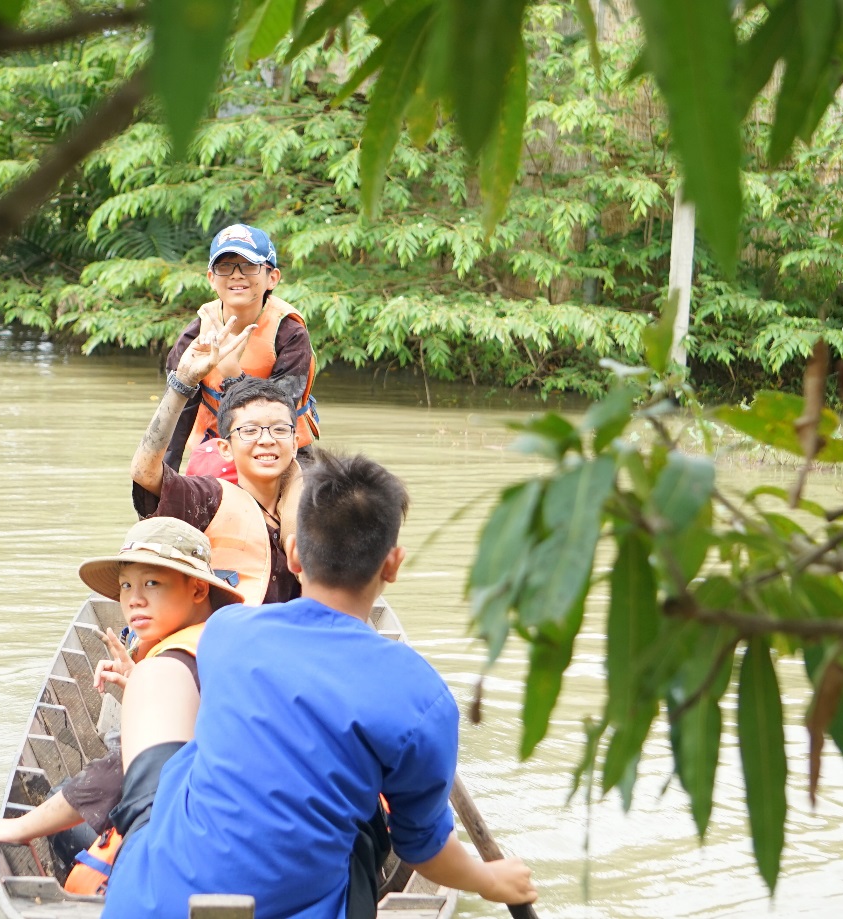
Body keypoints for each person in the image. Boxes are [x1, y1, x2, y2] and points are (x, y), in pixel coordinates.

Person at [101, 450, 537, 919]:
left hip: (147, 901)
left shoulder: (227, 632)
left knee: (164, 683)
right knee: (369, 818)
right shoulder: (422, 696)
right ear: (392, 564)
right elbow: (423, 852)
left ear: (292, 554)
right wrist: (492, 880)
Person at [0, 517, 244, 882]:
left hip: (200, 847)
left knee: (62, 805)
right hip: (235, 823)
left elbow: (122, 774)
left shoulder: (176, 661)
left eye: (152, 582)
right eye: (126, 585)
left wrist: (19, 828)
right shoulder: (221, 638)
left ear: (198, 590)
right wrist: (142, 687)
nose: (134, 599)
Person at [132, 320, 304, 606]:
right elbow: (144, 471)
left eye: (279, 429)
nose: (266, 440)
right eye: (249, 431)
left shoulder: (314, 505)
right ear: (225, 448)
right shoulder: (208, 499)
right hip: (217, 641)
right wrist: (182, 383)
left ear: (295, 443)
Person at [161, 223, 319, 475]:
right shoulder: (196, 334)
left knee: (311, 503)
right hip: (217, 442)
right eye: (225, 267)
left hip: (282, 447)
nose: (236, 275)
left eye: (249, 266)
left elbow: (275, 415)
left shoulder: (290, 333)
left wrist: (233, 374)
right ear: (212, 279)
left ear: (272, 278)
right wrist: (164, 478)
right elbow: (177, 411)